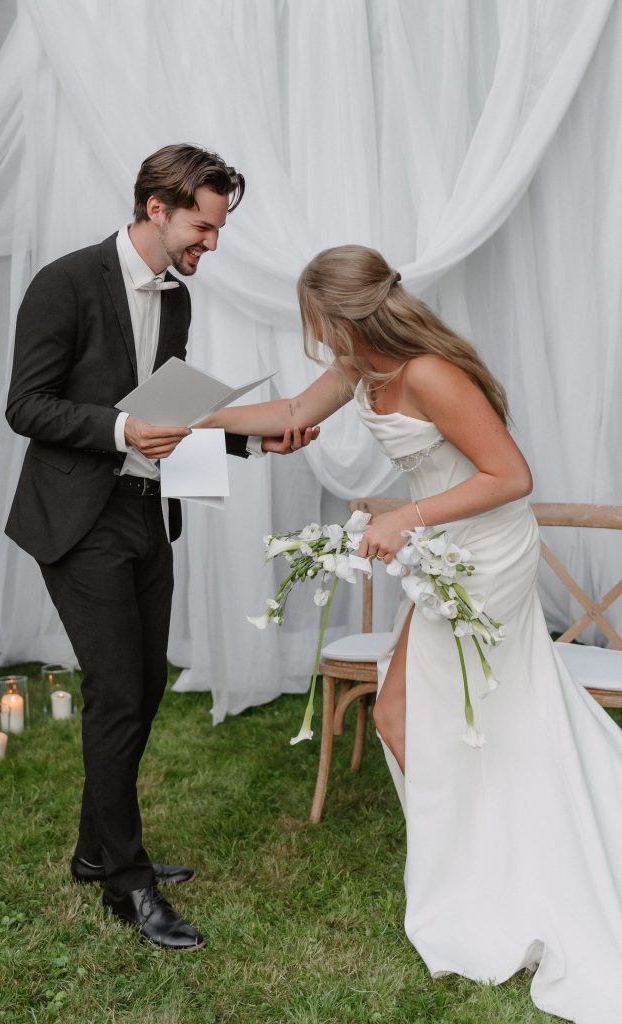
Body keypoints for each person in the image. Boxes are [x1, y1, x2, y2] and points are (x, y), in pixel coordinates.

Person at [200, 244, 622, 1022]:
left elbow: (511, 476)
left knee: (410, 714)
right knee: (442, 717)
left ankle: (489, 866)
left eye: (320, 321)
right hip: (441, 555)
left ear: (348, 314)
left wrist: (405, 515)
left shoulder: (428, 372)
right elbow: (291, 416)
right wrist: (192, 416)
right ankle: (483, 853)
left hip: (484, 556)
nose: (316, 336)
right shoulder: (359, 368)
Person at [4, 143, 317, 953]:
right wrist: (116, 428)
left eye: (214, 232)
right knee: (116, 693)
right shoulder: (64, 283)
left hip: (147, 512)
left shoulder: (174, 303)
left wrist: (253, 447)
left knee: (140, 691)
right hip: (77, 520)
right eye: (202, 229)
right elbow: (25, 405)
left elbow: (166, 419)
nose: (209, 245)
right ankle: (127, 880)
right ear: (156, 209)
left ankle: (91, 850)